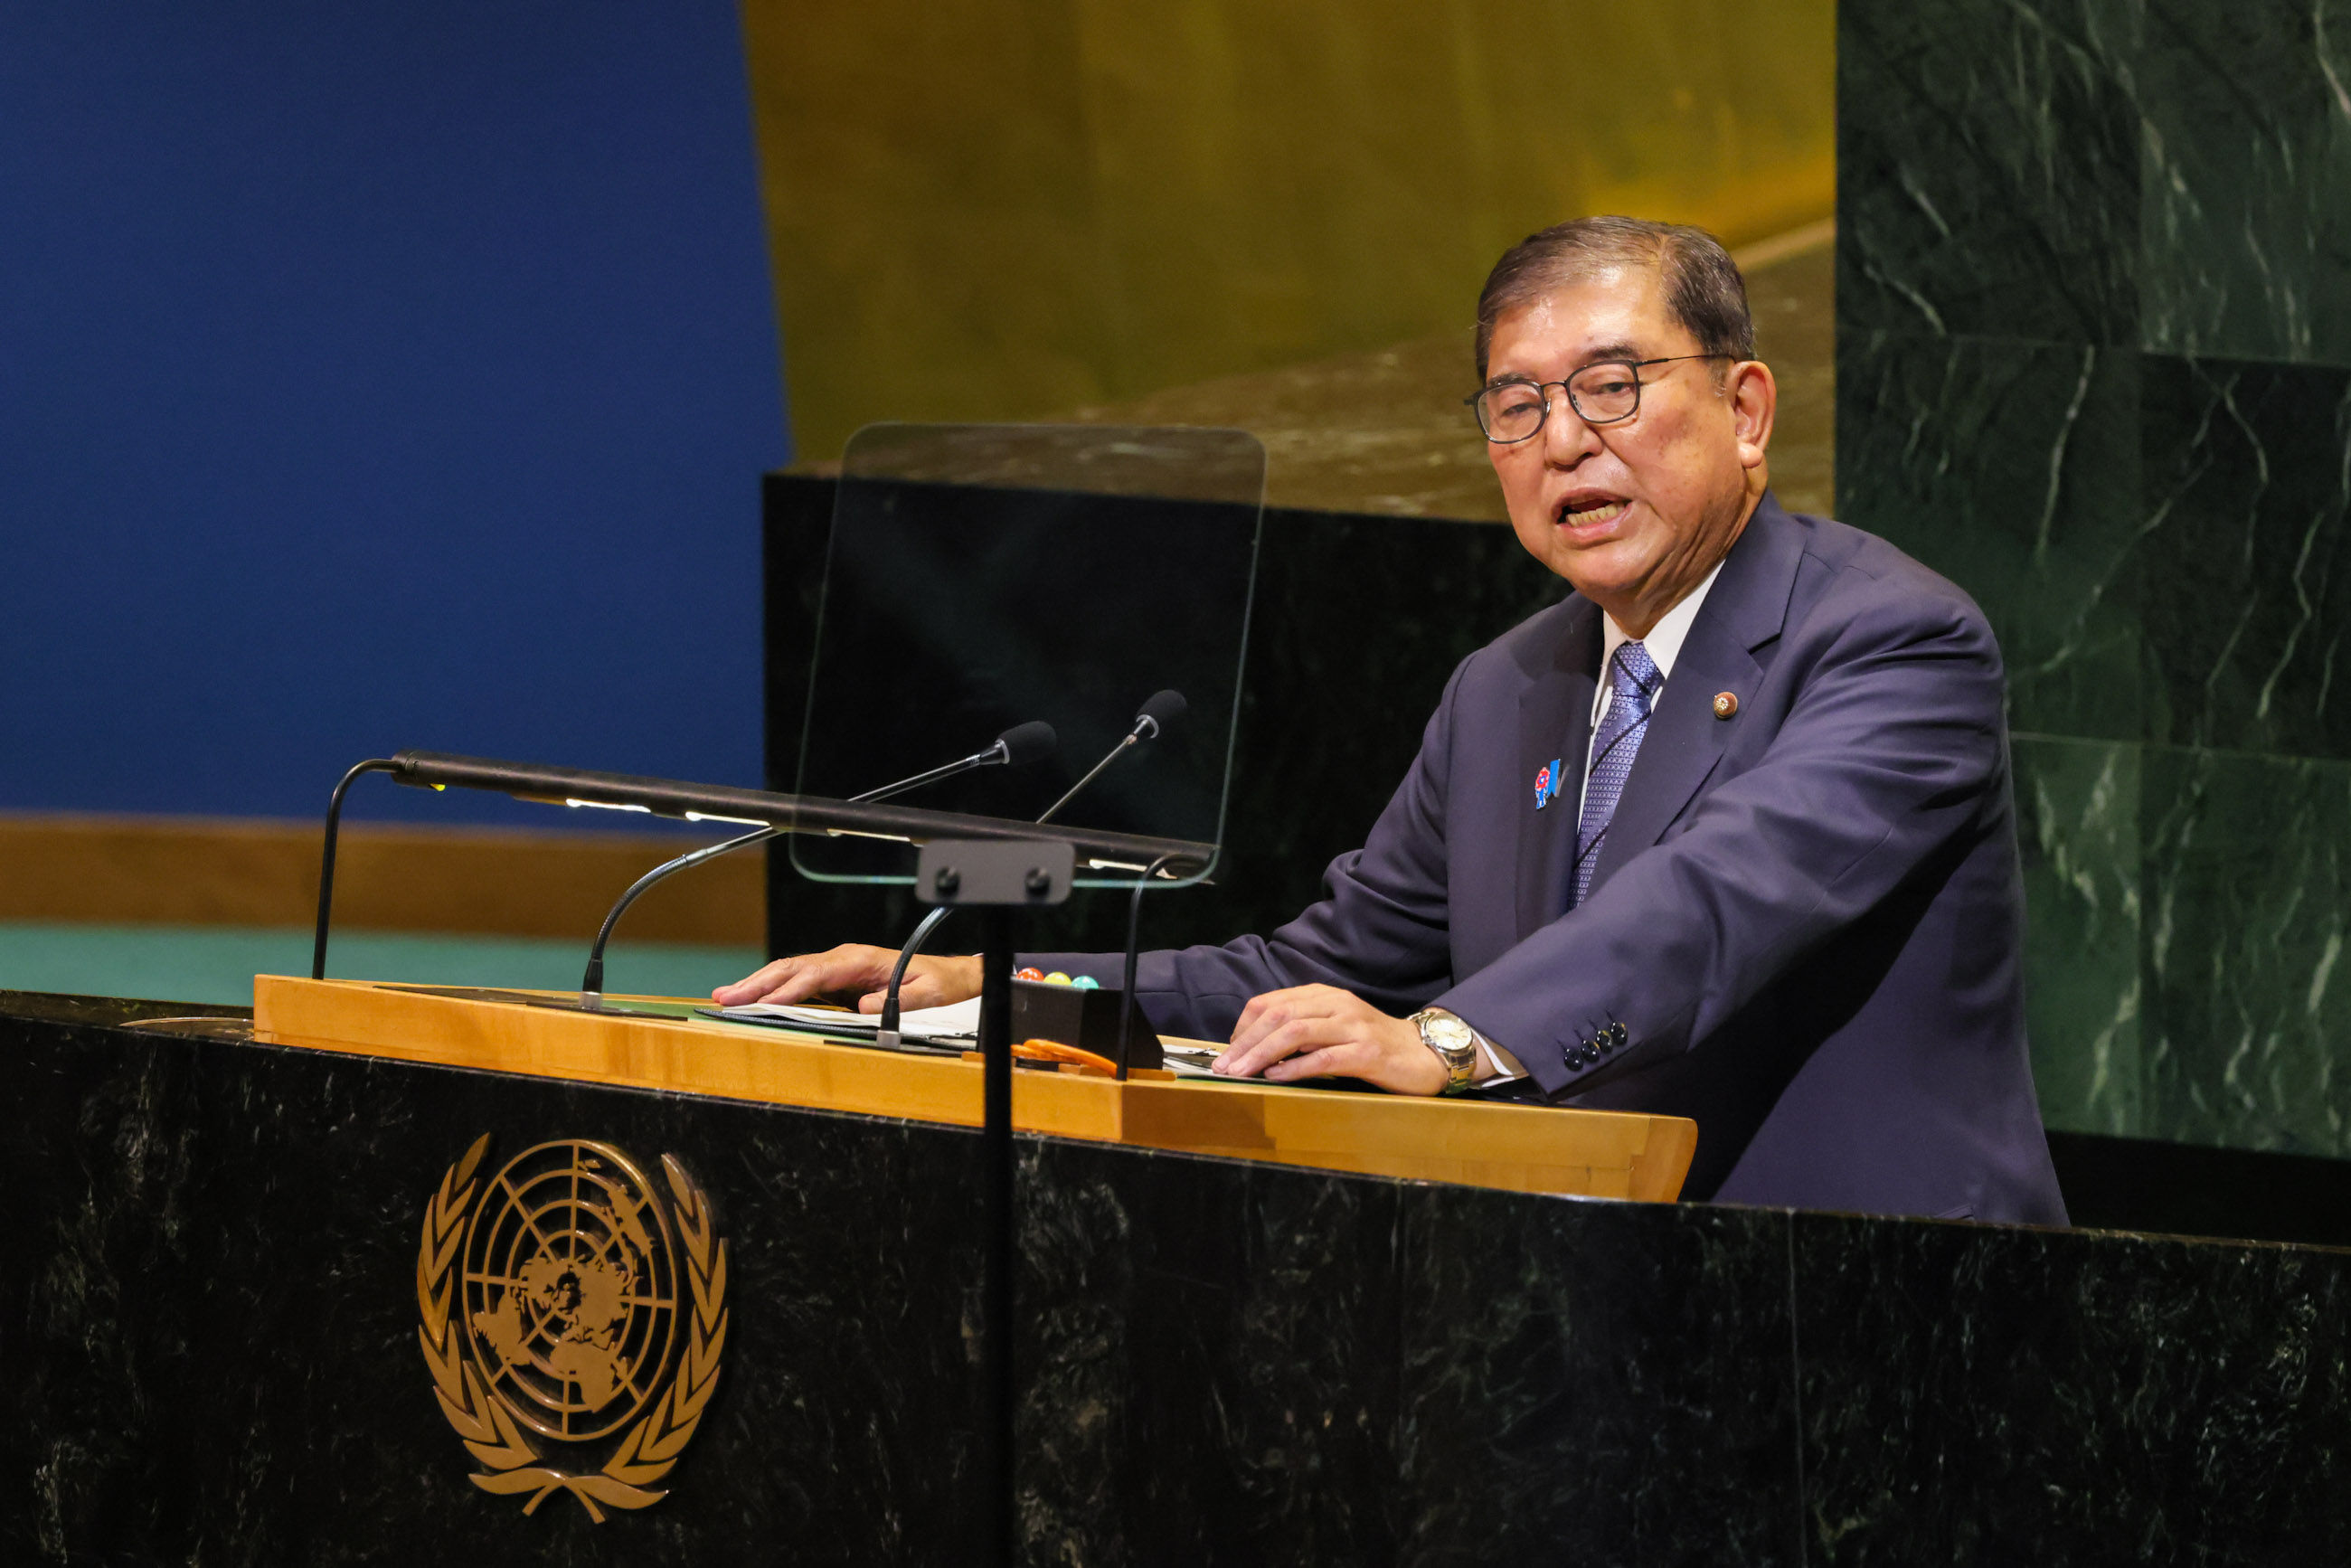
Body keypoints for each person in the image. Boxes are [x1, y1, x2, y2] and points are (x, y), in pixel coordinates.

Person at [717, 215, 2068, 1224]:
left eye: (1613, 387)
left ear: (1746, 406)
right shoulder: (1507, 689)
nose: (1565, 441)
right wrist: (999, 986)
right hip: (1590, 1310)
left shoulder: (1892, 641)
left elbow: (1712, 902)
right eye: (1518, 406)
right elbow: (1315, 971)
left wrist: (1442, 1043)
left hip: (1882, 1317)